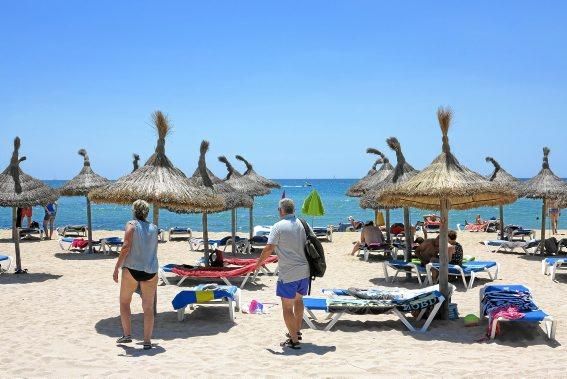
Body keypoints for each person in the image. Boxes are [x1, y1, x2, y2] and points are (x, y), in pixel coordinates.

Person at [255, 198, 309, 350]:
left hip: (288, 273)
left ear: (281, 210)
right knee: (298, 301)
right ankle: (296, 332)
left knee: (287, 307)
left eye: (278, 209)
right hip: (304, 271)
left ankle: (293, 340)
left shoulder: (278, 226)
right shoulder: (302, 224)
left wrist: (258, 264)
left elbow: (268, 249)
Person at [113, 200, 159, 350]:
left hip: (132, 269)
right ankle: (147, 341)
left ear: (134, 211)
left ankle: (127, 335)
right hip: (151, 271)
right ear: (147, 212)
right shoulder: (154, 228)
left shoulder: (131, 225)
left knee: (124, 302)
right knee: (148, 308)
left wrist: (117, 267)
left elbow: (126, 246)